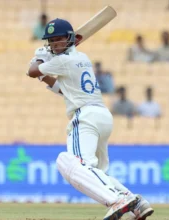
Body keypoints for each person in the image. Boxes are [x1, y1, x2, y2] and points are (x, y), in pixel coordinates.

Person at [27, 18, 154, 220]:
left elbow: (31, 71)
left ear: (70, 39)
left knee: (70, 163)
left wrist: (39, 59)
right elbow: (65, 90)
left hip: (85, 116)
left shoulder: (62, 61)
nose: (54, 45)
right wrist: (44, 73)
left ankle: (117, 201)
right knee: (94, 172)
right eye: (51, 41)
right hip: (102, 116)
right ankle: (135, 202)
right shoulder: (81, 58)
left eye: (59, 40)